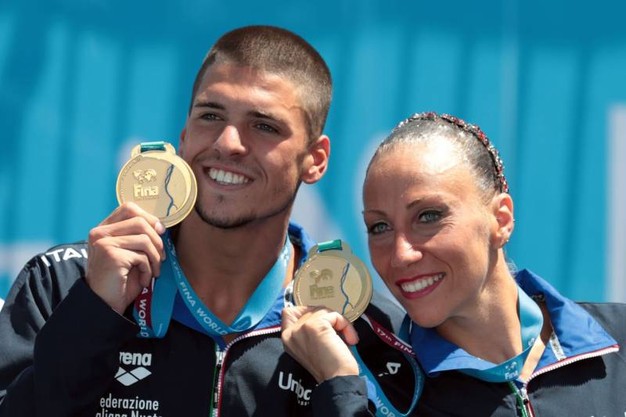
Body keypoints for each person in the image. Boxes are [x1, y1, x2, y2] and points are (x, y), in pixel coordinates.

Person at [0, 26, 415, 417]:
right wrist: (93, 313)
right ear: (184, 136)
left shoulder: (367, 332)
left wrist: (340, 389)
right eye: (211, 116)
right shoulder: (64, 283)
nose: (228, 143)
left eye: (263, 125)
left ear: (315, 159)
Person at [283, 111, 626, 416]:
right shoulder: (373, 386)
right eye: (380, 227)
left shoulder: (617, 339)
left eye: (428, 216)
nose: (401, 254)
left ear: (500, 219)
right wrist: (341, 390)